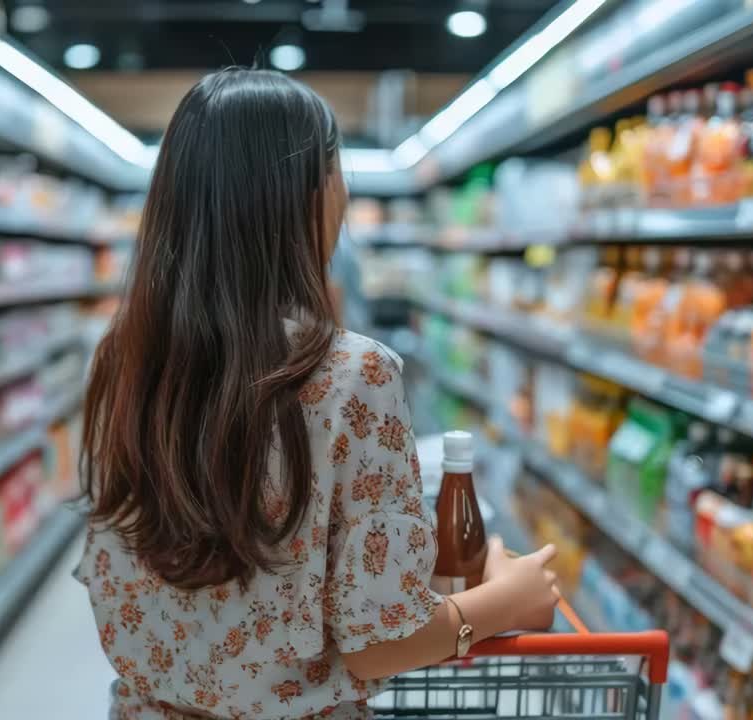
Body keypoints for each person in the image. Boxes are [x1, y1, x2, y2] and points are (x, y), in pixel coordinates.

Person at [76, 68, 559, 719]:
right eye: (338, 170)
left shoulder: (124, 361)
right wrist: (510, 600)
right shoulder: (353, 374)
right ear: (308, 196)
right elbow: (382, 646)